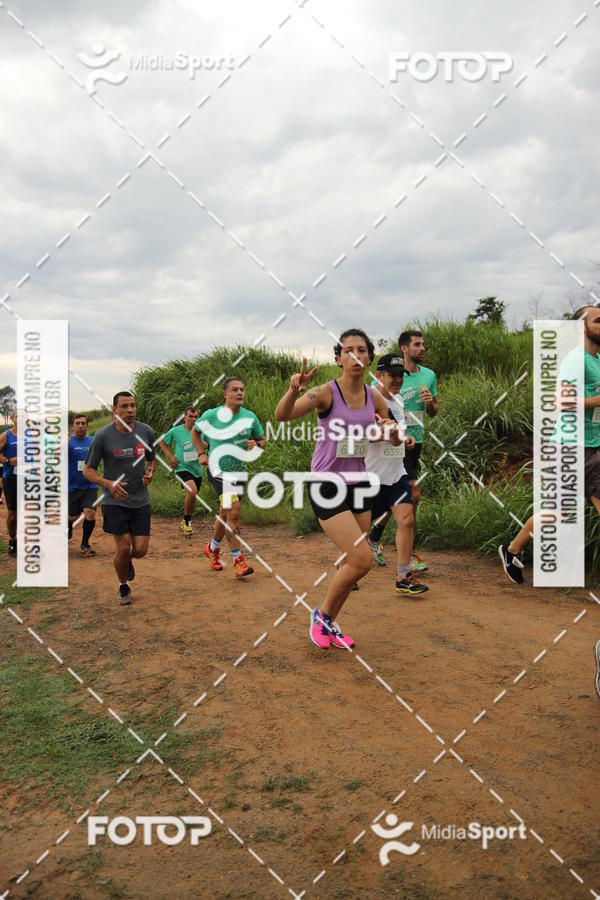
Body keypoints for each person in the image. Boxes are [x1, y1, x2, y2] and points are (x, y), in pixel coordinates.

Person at [275, 329, 401, 650]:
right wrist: (293, 390)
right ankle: (321, 616)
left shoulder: (376, 398)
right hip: (326, 484)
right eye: (348, 350)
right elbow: (283, 415)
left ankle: (329, 622)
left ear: (370, 357)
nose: (355, 355)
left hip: (359, 483)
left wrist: (392, 431)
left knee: (354, 564)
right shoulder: (325, 393)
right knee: (361, 560)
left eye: (362, 350)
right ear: (339, 358)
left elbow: (391, 440)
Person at [499, 305, 600, 583]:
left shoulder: (596, 359)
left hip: (593, 447)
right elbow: (563, 403)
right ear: (582, 327)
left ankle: (512, 550)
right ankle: (512, 550)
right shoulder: (576, 360)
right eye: (599, 320)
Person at [83, 391, 156, 606]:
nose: (130, 410)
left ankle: (126, 562)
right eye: (124, 406)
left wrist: (150, 472)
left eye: (133, 405)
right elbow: (88, 470)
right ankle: (123, 586)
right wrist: (108, 484)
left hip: (140, 499)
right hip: (114, 500)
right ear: (114, 410)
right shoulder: (103, 436)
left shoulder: (146, 431)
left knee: (140, 550)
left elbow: (152, 460)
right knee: (123, 547)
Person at [365, 354, 428, 595]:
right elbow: (368, 434)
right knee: (360, 528)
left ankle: (403, 577)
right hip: (371, 475)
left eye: (402, 375)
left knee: (407, 518)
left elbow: (396, 432)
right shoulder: (368, 398)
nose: (399, 379)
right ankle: (348, 566)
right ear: (379, 375)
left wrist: (404, 438)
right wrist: (391, 436)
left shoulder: (399, 399)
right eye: (393, 375)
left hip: (397, 471)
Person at [192, 377, 264, 577]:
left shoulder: (250, 417)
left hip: (239, 472)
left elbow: (262, 440)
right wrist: (201, 454)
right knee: (233, 512)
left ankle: (212, 549)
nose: (240, 392)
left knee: (225, 514)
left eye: (242, 389)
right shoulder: (211, 415)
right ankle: (238, 560)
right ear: (225, 394)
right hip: (218, 471)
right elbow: (194, 432)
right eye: (235, 390)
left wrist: (256, 446)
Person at [158, 405, 204, 537]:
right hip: (181, 467)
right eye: (190, 416)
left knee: (192, 495)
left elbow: (207, 446)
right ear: (185, 418)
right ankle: (188, 523)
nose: (193, 419)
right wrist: (170, 457)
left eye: (196, 417)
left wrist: (205, 446)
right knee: (192, 491)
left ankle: (185, 520)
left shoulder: (201, 432)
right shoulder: (176, 431)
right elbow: (162, 442)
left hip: (197, 469)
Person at [68, 413, 98, 557]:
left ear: (87, 425)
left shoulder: (93, 442)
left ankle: (85, 543)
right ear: (73, 426)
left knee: (90, 513)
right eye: (77, 423)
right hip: (71, 486)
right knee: (72, 516)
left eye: (83, 423)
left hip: (90, 486)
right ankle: (68, 526)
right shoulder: (67, 442)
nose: (80, 426)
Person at [0, 409, 18, 556]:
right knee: (13, 515)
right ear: (13, 419)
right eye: (18, 416)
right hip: (11, 479)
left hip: (30, 479)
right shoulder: (6, 435)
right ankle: (13, 539)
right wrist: (7, 460)